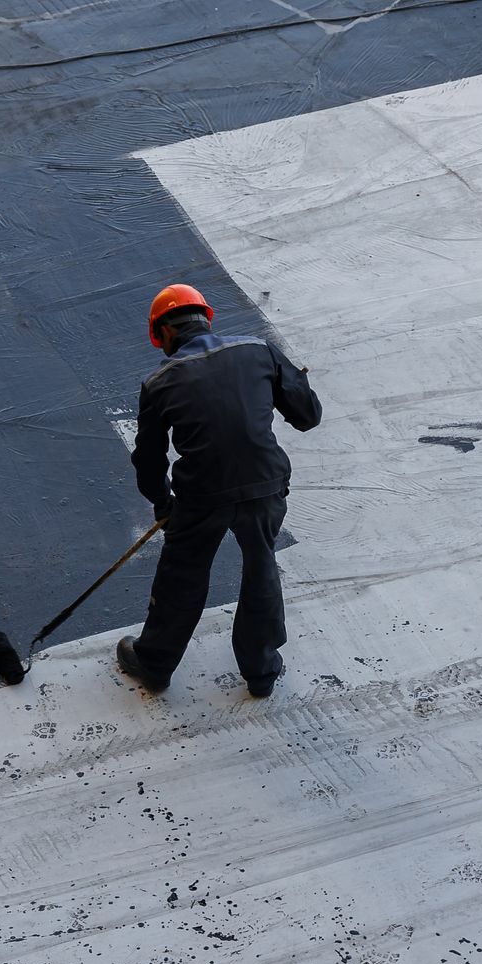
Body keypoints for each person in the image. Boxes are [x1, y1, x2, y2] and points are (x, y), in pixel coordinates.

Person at [117, 284, 322, 697]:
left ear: (162, 334)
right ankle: (261, 673)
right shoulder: (258, 350)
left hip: (202, 495)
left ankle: (155, 664)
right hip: (265, 484)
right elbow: (308, 416)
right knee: (261, 568)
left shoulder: (159, 381)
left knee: (182, 574)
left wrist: (163, 504)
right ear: (206, 318)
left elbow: (150, 460)